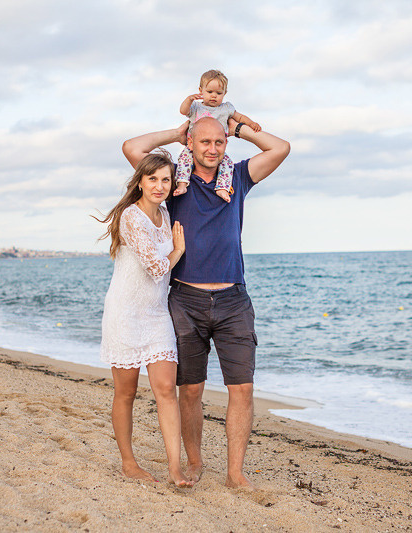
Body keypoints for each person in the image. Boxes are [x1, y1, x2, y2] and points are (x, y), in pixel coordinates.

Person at [122, 116, 290, 488]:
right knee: (191, 389)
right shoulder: (174, 185)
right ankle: (195, 462)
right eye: (204, 142)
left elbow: (280, 148)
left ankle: (235, 473)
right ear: (192, 143)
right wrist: (175, 132)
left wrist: (239, 128)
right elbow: (133, 148)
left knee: (242, 388)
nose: (212, 149)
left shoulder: (240, 178)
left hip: (233, 300)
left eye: (219, 142)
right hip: (186, 300)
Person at [95, 151, 193, 488]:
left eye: (166, 179)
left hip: (155, 314)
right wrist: (178, 251)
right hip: (124, 313)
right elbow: (155, 267)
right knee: (126, 393)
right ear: (140, 181)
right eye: (153, 179)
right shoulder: (130, 218)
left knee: (166, 389)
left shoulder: (166, 213)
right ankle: (128, 462)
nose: (160, 185)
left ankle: (175, 468)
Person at [174, 69, 261, 203]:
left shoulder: (225, 108)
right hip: (193, 147)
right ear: (200, 90)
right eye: (209, 92)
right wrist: (189, 99)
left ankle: (222, 187)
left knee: (227, 164)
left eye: (218, 93)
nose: (214, 96)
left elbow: (240, 117)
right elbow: (183, 111)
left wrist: (251, 123)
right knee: (184, 161)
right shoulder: (196, 107)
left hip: (216, 151)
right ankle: (182, 183)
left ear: (225, 93)